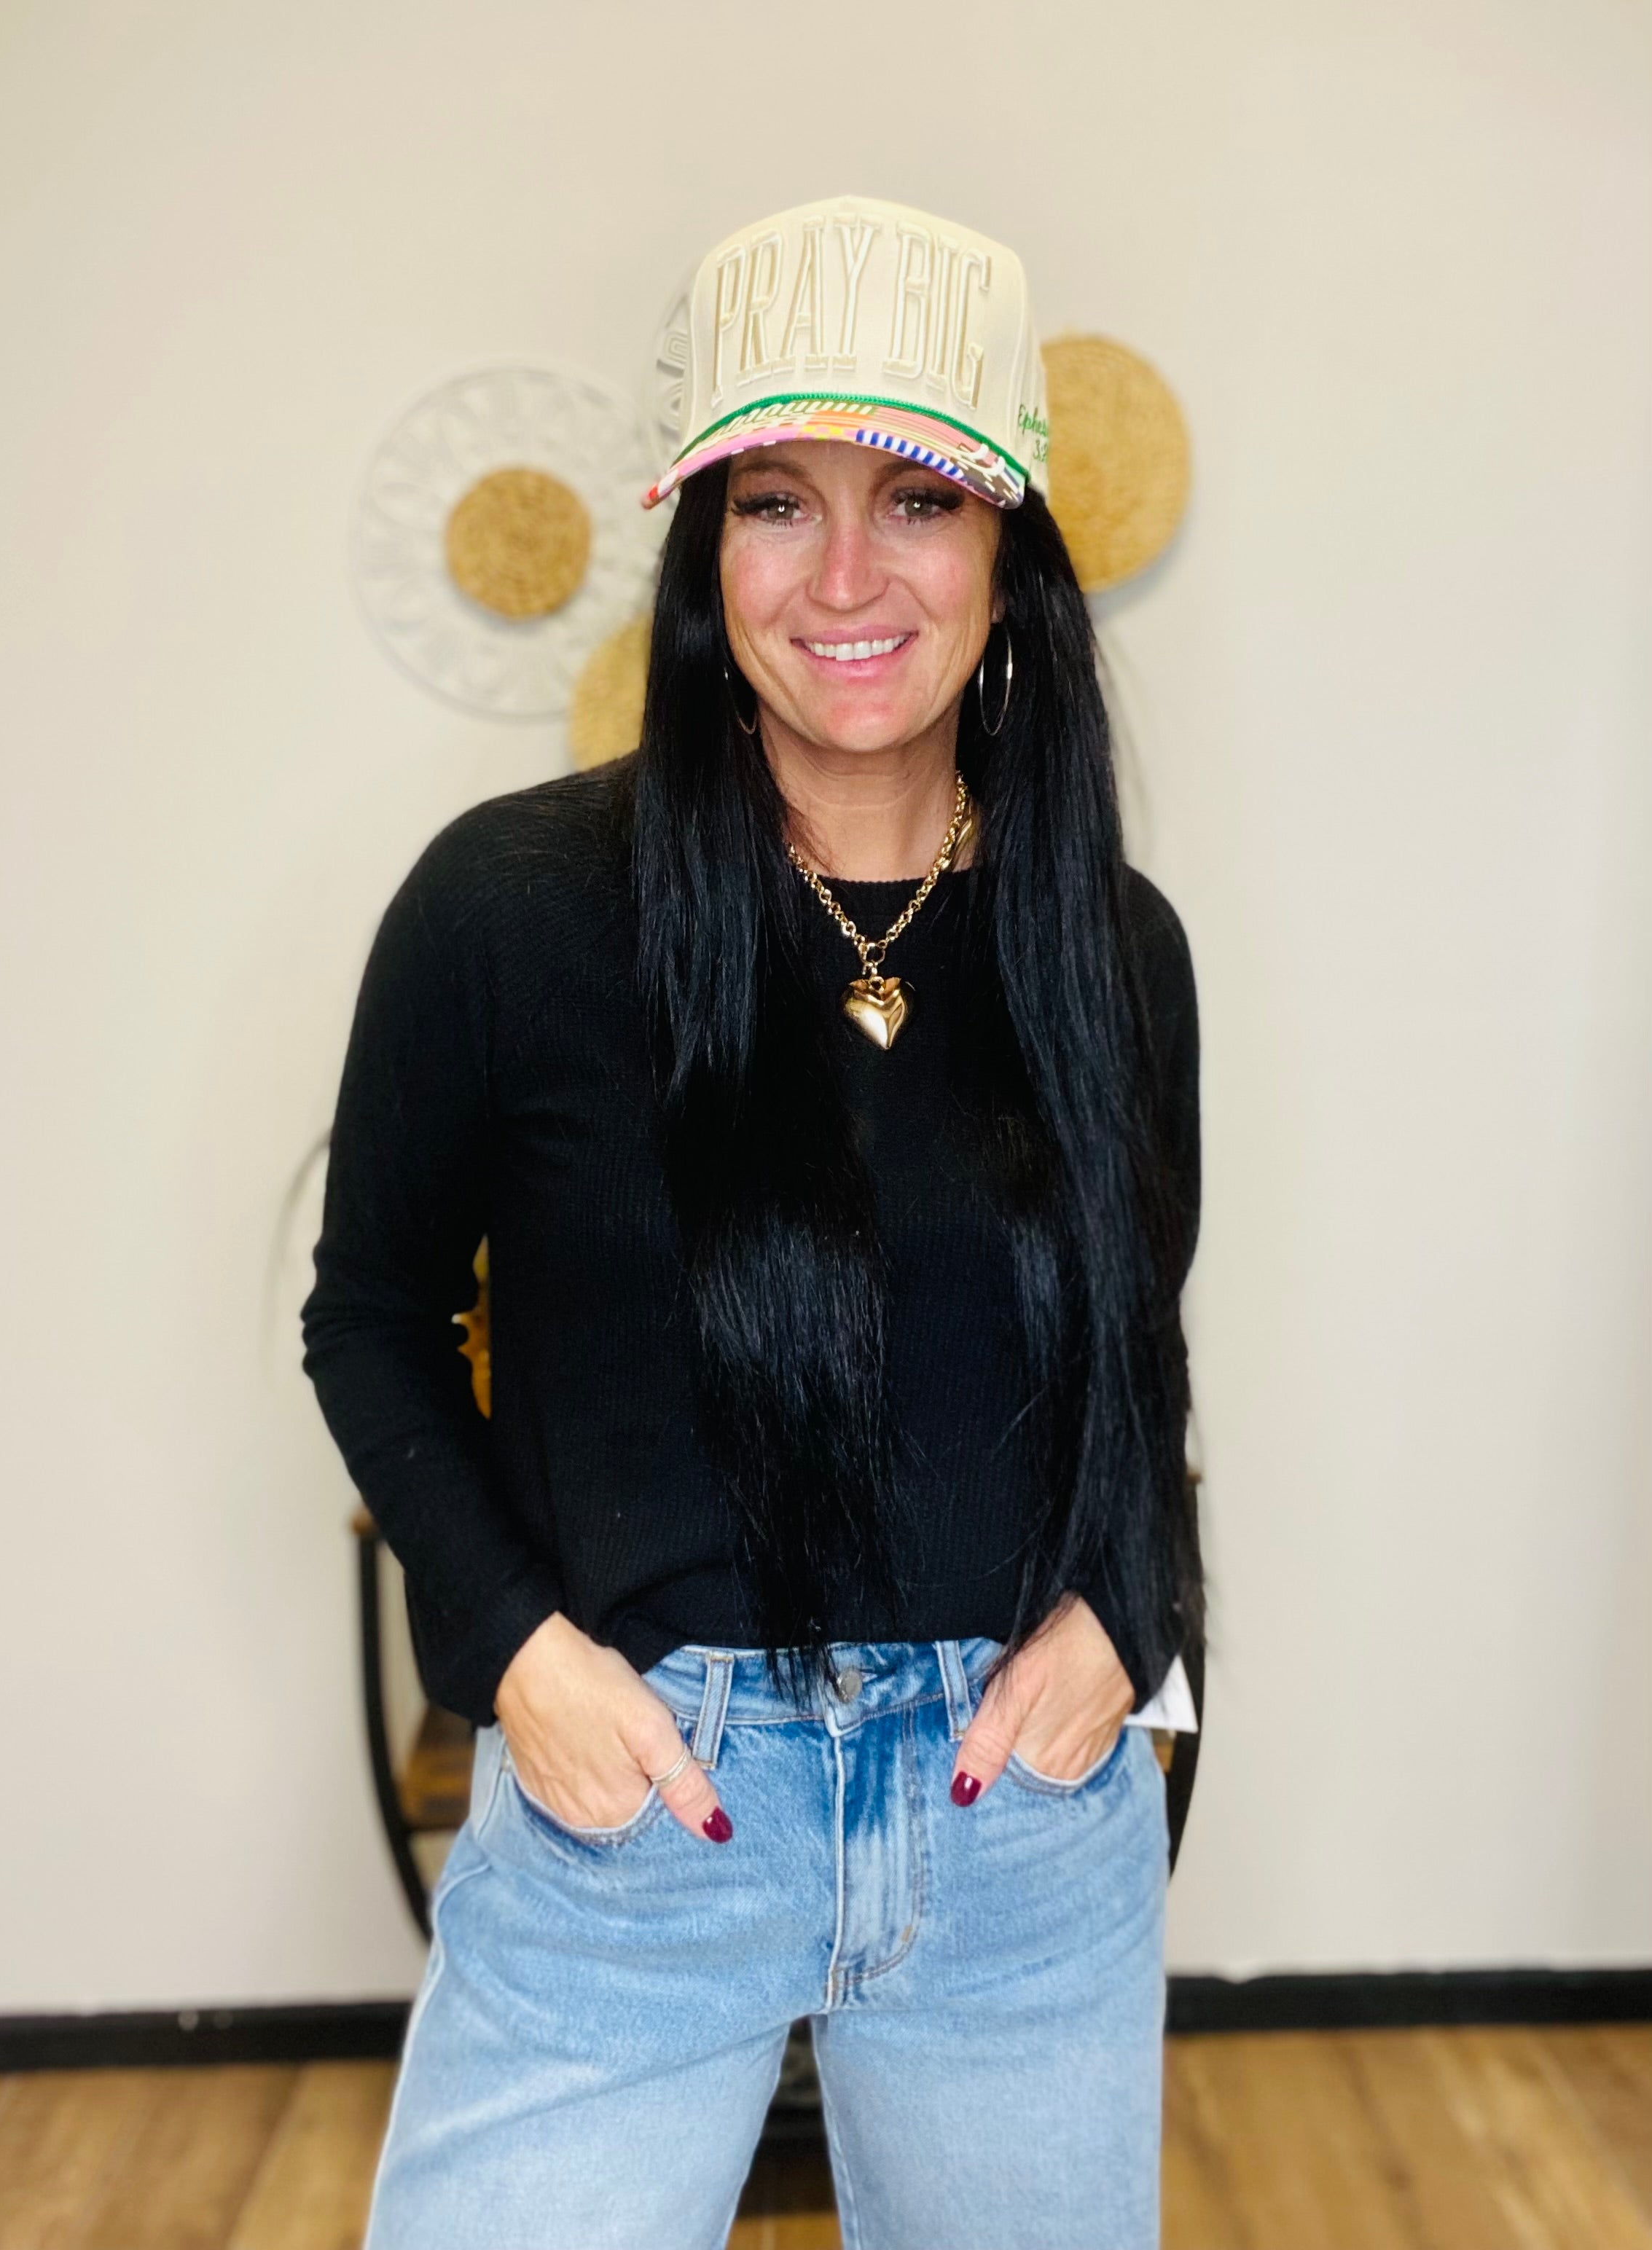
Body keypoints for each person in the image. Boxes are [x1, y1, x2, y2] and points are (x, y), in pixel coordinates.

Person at [302, 193, 1203, 2250]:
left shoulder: (1112, 945)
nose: (847, 578)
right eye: (777, 504)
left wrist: (1126, 1617)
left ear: (1008, 553)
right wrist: (516, 1654)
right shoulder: (510, 911)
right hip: (642, 1815)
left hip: (1017, 1833)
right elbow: (370, 1321)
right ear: (706, 553)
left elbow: (1139, 1352)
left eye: (918, 502)